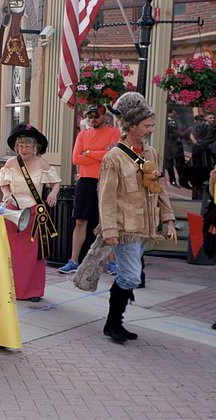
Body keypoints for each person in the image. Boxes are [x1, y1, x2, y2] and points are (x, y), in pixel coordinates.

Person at [98, 92, 176, 343]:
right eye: (147, 125)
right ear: (132, 126)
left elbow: (159, 188)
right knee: (131, 276)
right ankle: (113, 323)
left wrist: (169, 219)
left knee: (129, 275)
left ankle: (114, 321)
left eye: (152, 125)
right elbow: (106, 198)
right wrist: (109, 229)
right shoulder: (113, 158)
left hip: (146, 226)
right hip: (124, 228)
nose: (151, 130)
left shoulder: (151, 154)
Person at [0, 123, 61, 302]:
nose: (23, 149)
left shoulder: (42, 163)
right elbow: (3, 183)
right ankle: (12, 289)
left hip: (34, 213)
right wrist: (7, 194)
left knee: (33, 255)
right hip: (13, 213)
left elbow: (55, 183)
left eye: (27, 146)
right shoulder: (11, 163)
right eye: (20, 146)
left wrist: (54, 194)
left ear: (35, 147)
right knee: (13, 254)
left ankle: (33, 291)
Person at [59, 105, 119, 275]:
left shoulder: (114, 132)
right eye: (90, 117)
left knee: (106, 222)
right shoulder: (83, 134)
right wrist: (99, 154)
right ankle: (74, 261)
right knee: (80, 222)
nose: (93, 120)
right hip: (85, 182)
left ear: (104, 116)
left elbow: (111, 156)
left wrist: (88, 153)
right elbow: (75, 159)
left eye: (96, 117)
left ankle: (112, 263)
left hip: (106, 181)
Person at [189, 112, 216, 199]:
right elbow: (192, 136)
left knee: (205, 173)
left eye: (214, 118)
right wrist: (197, 145)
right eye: (211, 118)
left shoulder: (214, 129)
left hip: (208, 153)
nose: (213, 119)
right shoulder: (200, 126)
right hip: (199, 152)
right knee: (197, 173)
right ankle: (196, 194)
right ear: (206, 118)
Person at [164, 109, 186, 188]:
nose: (175, 114)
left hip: (169, 145)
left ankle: (173, 180)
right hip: (173, 145)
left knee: (171, 163)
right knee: (176, 163)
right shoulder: (172, 122)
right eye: (174, 113)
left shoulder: (167, 121)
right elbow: (176, 132)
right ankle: (177, 180)